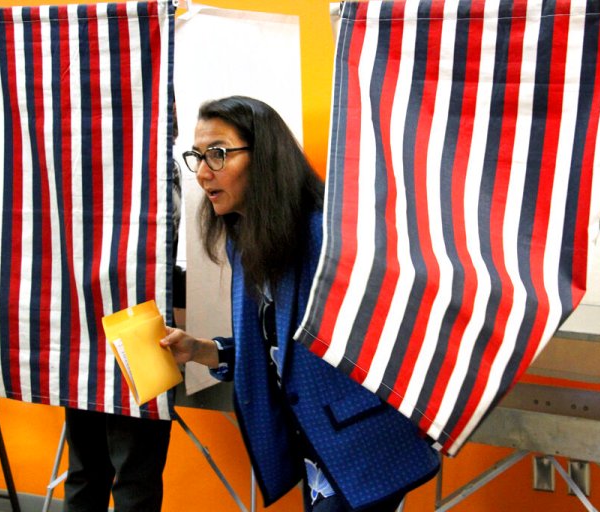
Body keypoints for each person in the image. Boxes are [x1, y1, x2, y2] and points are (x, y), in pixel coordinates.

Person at [161, 96, 440, 511]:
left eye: (218, 154)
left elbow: (399, 324)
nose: (202, 173)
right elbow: (282, 348)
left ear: (265, 157)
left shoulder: (324, 233)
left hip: (361, 441)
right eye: (197, 157)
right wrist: (201, 350)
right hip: (315, 445)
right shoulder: (250, 243)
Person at [63, 103, 184, 512]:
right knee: (135, 475)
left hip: (86, 327)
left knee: (86, 469)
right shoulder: (159, 173)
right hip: (139, 330)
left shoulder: (82, 168)